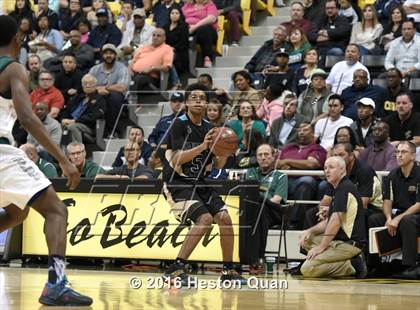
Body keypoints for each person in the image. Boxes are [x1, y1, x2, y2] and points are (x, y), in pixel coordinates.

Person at [0, 15, 92, 306]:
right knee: (56, 211)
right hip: (1, 152)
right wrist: (62, 158)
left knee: (17, 213)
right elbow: (28, 118)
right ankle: (57, 284)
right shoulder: (13, 67)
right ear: (18, 38)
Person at [162, 83, 246, 285]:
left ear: (207, 103)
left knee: (225, 219)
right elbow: (177, 159)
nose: (198, 100)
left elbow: (216, 164)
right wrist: (204, 146)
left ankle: (228, 270)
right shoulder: (179, 124)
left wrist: (224, 151)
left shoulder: (211, 128)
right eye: (194, 97)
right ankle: (175, 269)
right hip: (177, 182)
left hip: (200, 182)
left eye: (202, 97)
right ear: (187, 102)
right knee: (205, 219)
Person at [299, 156, 367, 278]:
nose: (327, 171)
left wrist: (321, 247)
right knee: (305, 238)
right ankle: (337, 260)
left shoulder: (345, 188)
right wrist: (310, 230)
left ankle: (351, 265)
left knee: (308, 269)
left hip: (349, 244)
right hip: (338, 241)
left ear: (342, 170)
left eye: (331, 167)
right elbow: (328, 222)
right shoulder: (338, 188)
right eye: (325, 168)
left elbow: (335, 222)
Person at [368, 141, 420, 279]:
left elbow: (418, 204)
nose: (399, 155)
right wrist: (389, 218)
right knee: (374, 218)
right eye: (397, 152)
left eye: (404, 152)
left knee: (407, 221)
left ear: (413, 156)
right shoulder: (391, 175)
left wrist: (397, 218)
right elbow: (387, 201)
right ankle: (376, 263)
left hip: (415, 214)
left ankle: (410, 265)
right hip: (398, 214)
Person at [245, 144, 288, 272]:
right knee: (256, 209)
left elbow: (277, 199)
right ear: (256, 158)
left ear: (273, 156)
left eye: (266, 154)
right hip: (253, 210)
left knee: (260, 207)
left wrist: (259, 198)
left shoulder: (281, 176)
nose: (263, 158)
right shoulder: (250, 172)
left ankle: (258, 257)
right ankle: (248, 258)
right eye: (260, 155)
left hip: (273, 212)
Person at [277, 122, 327, 229]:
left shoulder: (317, 148)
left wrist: (288, 161)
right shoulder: (288, 148)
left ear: (313, 134)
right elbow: (278, 164)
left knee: (306, 181)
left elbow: (311, 164)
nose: (301, 132)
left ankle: (294, 224)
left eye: (305, 130)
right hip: (285, 181)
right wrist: (287, 164)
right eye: (299, 130)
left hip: (305, 183)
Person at [88, 44, 130, 138]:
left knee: (113, 96)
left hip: (119, 100)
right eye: (106, 53)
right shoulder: (95, 69)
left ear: (115, 55)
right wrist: (99, 90)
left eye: (111, 53)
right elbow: (87, 85)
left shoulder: (122, 68)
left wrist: (105, 88)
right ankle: (93, 131)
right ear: (102, 55)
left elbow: (122, 87)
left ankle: (112, 131)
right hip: (99, 96)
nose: (108, 56)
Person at [60, 74, 107, 143]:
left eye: (90, 83)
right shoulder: (77, 97)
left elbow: (94, 116)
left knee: (73, 127)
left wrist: (75, 121)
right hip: (71, 122)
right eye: (85, 83)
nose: (87, 85)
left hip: (89, 126)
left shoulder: (100, 99)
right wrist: (63, 120)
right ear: (82, 85)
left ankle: (78, 149)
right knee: (56, 126)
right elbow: (66, 110)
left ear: (95, 85)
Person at [130, 28, 174, 94]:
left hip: (150, 77)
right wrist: (129, 71)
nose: (155, 37)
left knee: (138, 80)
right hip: (134, 74)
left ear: (164, 38)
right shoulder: (145, 47)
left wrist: (152, 68)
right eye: (153, 35)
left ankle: (131, 100)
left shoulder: (167, 49)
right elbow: (133, 61)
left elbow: (167, 67)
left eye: (158, 36)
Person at [182, 0, 219, 68]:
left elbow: (212, 18)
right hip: (188, 29)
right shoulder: (187, 5)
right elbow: (181, 17)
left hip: (207, 31)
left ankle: (207, 57)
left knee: (204, 30)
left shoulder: (210, 5)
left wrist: (195, 27)